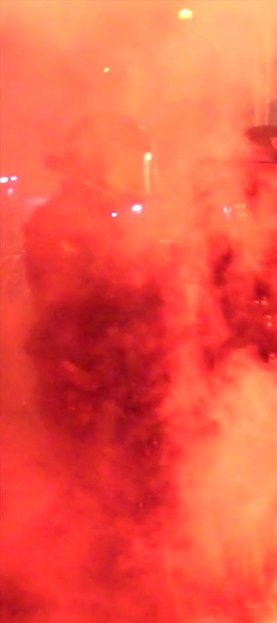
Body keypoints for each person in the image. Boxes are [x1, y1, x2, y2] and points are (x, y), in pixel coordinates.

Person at [22, 113, 175, 514]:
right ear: (99, 159)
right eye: (131, 157)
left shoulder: (110, 215)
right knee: (95, 499)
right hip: (89, 389)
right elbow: (86, 305)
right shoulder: (65, 221)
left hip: (113, 387)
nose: (138, 168)